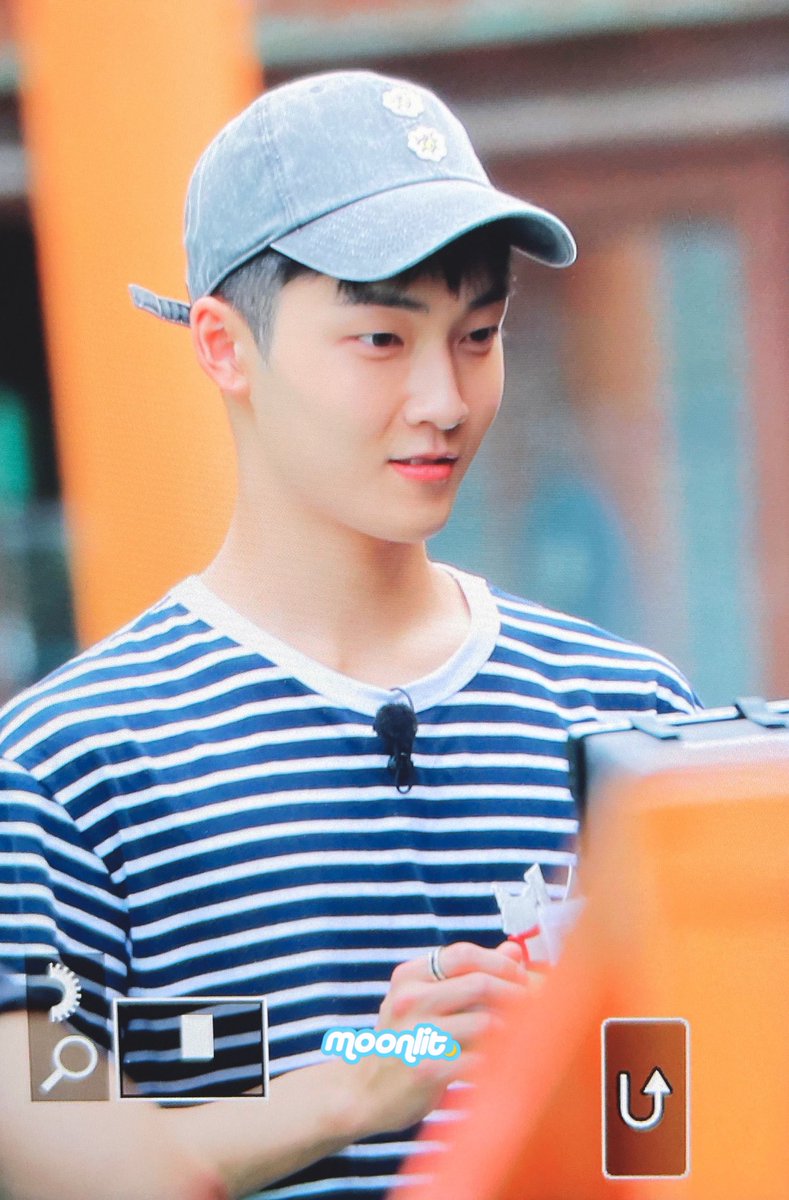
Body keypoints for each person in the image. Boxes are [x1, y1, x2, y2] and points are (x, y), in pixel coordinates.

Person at [0, 70, 698, 1200]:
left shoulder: (632, 717)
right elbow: (54, 1162)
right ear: (224, 346)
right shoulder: (69, 768)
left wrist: (589, 1060)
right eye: (381, 338)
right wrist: (371, 1070)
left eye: (479, 335)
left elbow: (693, 1131)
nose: (444, 399)